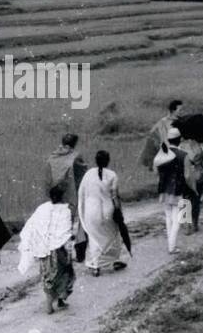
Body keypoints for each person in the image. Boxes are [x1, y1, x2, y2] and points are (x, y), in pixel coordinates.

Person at [18, 184, 77, 313]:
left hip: (44, 250)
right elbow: (66, 232)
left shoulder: (42, 208)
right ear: (62, 197)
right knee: (64, 275)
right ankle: (57, 302)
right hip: (59, 250)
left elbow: (32, 227)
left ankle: (53, 304)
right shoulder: (66, 210)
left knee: (48, 277)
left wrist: (36, 245)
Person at [78, 150, 127, 275]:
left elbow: (81, 193)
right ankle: (114, 260)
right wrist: (119, 211)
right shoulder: (112, 175)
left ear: (96, 160)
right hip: (107, 210)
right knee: (114, 236)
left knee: (94, 237)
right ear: (108, 161)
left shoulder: (88, 174)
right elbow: (115, 196)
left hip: (91, 210)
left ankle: (95, 265)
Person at [44, 133, 89, 261]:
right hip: (72, 195)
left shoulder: (52, 157)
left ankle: (60, 253)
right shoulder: (76, 156)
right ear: (74, 143)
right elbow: (83, 174)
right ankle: (79, 252)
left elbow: (48, 178)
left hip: (56, 196)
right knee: (79, 223)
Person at [154, 126, 192, 253]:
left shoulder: (161, 154)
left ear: (169, 140)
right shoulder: (184, 155)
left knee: (168, 218)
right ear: (180, 139)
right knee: (177, 220)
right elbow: (187, 176)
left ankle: (171, 244)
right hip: (178, 190)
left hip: (164, 190)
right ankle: (172, 247)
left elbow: (156, 172)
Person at [139, 99, 184, 169]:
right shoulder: (163, 122)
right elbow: (161, 138)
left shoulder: (182, 121)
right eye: (180, 110)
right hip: (165, 147)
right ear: (173, 110)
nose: (182, 112)